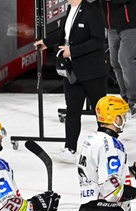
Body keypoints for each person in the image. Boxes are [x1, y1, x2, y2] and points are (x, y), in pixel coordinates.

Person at [35, 0, 107, 164]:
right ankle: (70, 149)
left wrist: (72, 51)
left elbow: (97, 40)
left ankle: (106, 148)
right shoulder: (70, 9)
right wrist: (46, 42)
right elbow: (65, 33)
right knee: (72, 110)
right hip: (72, 71)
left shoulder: (92, 11)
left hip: (92, 71)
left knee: (101, 112)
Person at [103, 0, 136, 115]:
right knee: (115, 62)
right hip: (111, 25)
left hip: (131, 23)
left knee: (125, 59)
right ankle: (125, 97)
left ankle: (134, 99)